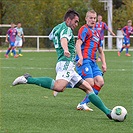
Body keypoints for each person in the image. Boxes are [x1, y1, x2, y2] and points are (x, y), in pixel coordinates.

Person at [12, 9, 112, 119]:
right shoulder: (67, 29)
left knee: (88, 88)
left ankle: (108, 112)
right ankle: (28, 79)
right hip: (66, 62)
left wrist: (59, 45)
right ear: (68, 20)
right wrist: (65, 49)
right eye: (75, 21)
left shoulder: (57, 27)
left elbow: (52, 36)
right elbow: (64, 39)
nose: (76, 24)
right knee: (59, 87)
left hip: (67, 64)